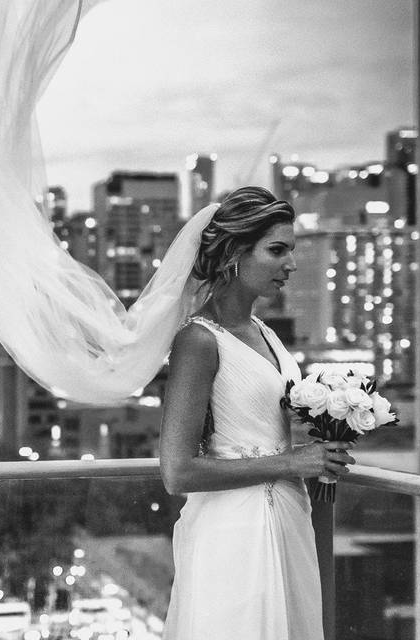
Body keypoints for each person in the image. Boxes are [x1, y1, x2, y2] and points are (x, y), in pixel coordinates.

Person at [160, 186, 355, 639]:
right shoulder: (198, 341)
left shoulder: (265, 332)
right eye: (277, 250)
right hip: (234, 534)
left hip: (289, 517)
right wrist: (293, 462)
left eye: (292, 250)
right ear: (234, 254)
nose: (290, 264)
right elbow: (177, 471)